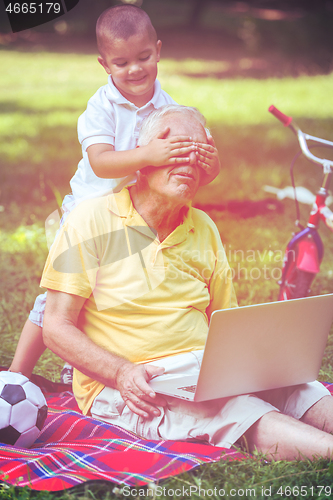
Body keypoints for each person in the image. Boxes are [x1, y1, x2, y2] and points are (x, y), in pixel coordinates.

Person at [41, 104, 333, 461]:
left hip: (202, 371)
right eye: (177, 151)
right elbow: (55, 326)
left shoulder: (204, 226)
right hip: (134, 384)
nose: (190, 164)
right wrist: (121, 372)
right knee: (235, 411)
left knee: (302, 388)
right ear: (145, 160)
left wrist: (259, 366)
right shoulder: (90, 220)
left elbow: (227, 319)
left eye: (200, 155)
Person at [9, 5, 219, 381]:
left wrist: (208, 161)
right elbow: (101, 163)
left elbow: (197, 171)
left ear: (158, 50)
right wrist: (149, 154)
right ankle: (14, 377)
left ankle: (81, 367)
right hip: (87, 217)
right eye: (121, 63)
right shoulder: (99, 108)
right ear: (105, 65)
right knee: (59, 299)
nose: (135, 69)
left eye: (143, 57)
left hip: (136, 215)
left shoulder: (169, 110)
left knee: (114, 295)